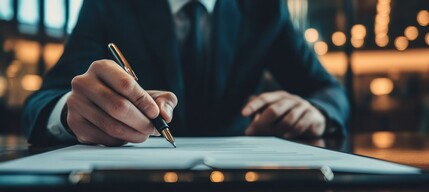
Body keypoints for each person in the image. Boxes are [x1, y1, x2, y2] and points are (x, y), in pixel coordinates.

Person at [22, 0, 349, 146]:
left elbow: (328, 91)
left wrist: (318, 112)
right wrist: (71, 112)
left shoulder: (264, 8)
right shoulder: (110, 5)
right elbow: (43, 102)